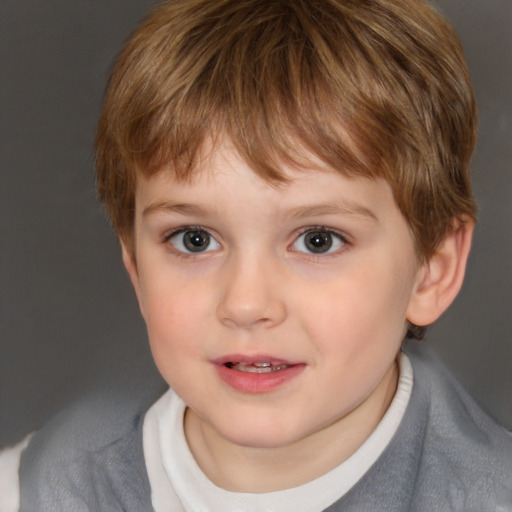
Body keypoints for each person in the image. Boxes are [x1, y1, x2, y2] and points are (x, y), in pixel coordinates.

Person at [3, 0, 512, 510]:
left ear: (432, 270)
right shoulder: (36, 489)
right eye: (194, 239)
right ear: (135, 266)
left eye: (318, 240)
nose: (246, 304)